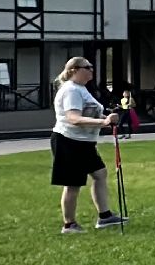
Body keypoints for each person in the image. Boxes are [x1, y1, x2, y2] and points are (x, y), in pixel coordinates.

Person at [51, 57, 124, 233]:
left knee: (100, 173)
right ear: (74, 70)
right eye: (87, 67)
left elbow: (89, 113)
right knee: (73, 183)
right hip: (69, 141)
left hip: (83, 142)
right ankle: (69, 224)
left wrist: (106, 118)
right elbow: (73, 118)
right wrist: (104, 122)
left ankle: (105, 216)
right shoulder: (71, 90)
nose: (91, 69)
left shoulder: (81, 89)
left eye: (91, 67)